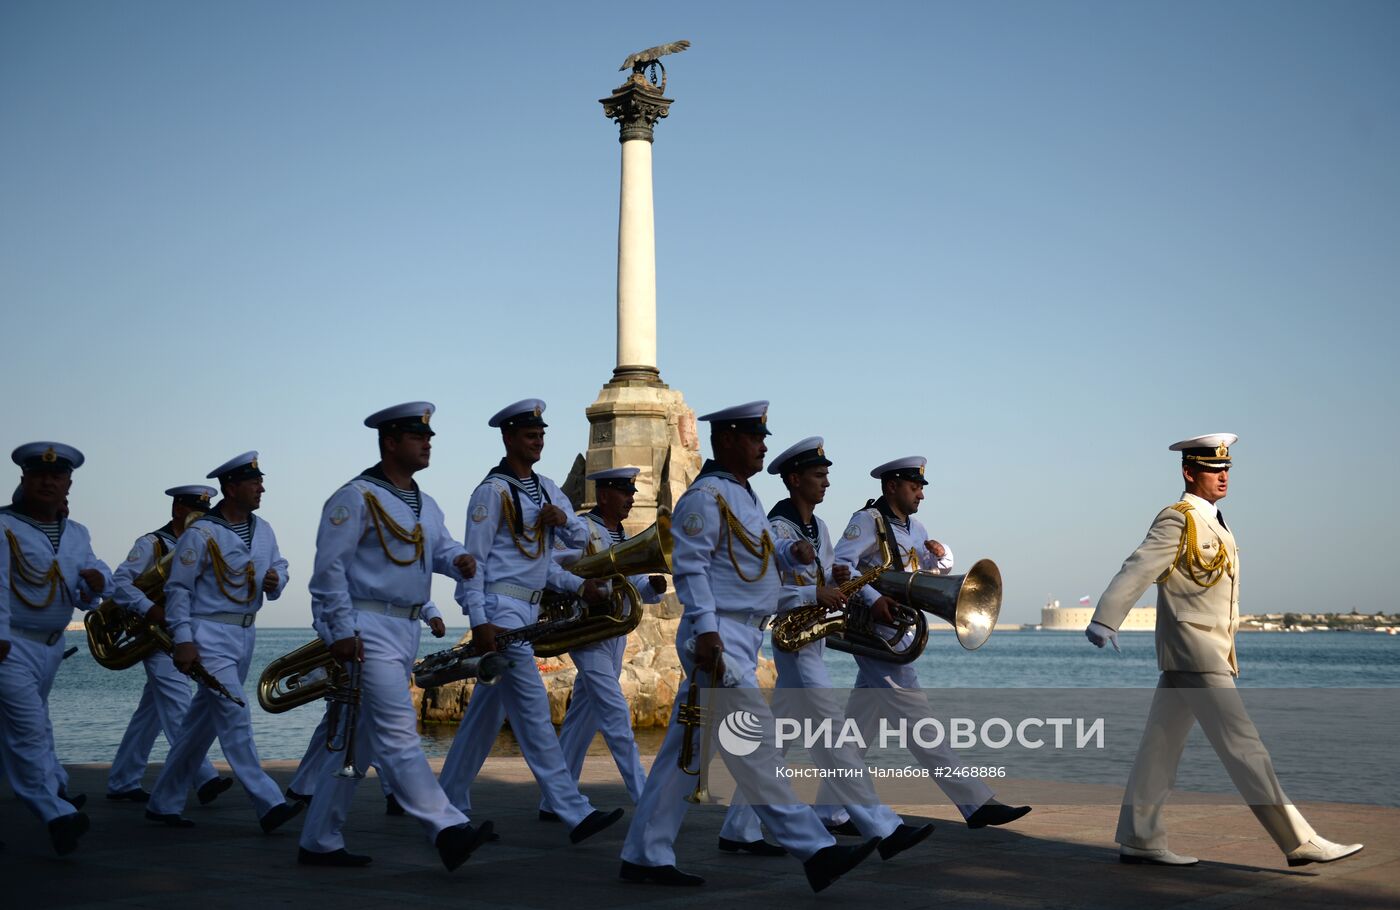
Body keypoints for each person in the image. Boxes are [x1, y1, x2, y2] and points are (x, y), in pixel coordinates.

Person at [619, 402, 882, 893]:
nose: (764, 444)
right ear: (728, 440)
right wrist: (706, 631)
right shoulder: (705, 498)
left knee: (686, 753)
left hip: (742, 633)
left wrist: (791, 551)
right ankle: (815, 850)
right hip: (717, 635)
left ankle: (644, 853)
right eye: (756, 436)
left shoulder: (743, 496)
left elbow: (755, 556)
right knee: (755, 744)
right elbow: (691, 568)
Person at [1087, 433, 1363, 868]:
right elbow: (1139, 566)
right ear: (1189, 472)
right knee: (1245, 747)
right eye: (1214, 470)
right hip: (1196, 651)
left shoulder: (1216, 520)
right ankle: (1298, 841)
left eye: (1226, 470)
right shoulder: (1179, 518)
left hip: (1206, 650)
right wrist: (1105, 618)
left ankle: (1139, 839)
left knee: (1159, 749)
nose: (1223, 477)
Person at [295, 402, 494, 869]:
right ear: (390, 442)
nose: (428, 443)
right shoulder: (355, 497)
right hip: (367, 625)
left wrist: (460, 560)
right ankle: (446, 827)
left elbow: (440, 549)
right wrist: (340, 631)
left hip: (405, 627)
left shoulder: (426, 503)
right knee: (399, 731)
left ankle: (319, 839)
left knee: (360, 742)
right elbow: (328, 573)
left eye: (427, 437)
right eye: (417, 437)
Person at [717, 437, 932, 860]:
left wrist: (841, 587)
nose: (827, 483)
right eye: (819, 476)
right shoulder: (777, 527)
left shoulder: (820, 528)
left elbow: (831, 580)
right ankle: (883, 827)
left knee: (776, 740)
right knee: (832, 733)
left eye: (827, 475)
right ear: (794, 480)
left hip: (811, 638)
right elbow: (761, 586)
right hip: (793, 638)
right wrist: (816, 593)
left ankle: (739, 828)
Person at [439, 399, 624, 845]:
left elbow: (582, 537)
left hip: (530, 608)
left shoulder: (544, 488)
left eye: (541, 434)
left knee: (486, 716)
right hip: (501, 610)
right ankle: (572, 810)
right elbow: (474, 563)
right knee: (535, 712)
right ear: (508, 439)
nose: (537, 440)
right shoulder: (491, 493)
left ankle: (446, 802)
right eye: (528, 435)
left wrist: (562, 519)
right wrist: (479, 621)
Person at [829, 456, 1030, 829]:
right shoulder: (866, 521)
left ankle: (829, 809)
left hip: (898, 633)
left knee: (858, 727)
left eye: (921, 487)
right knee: (919, 720)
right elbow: (840, 566)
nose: (920, 493)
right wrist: (874, 601)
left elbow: (928, 572)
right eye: (914, 487)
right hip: (877, 633)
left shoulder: (916, 527)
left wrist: (943, 556)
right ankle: (975, 802)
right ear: (892, 487)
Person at [144, 452, 303, 833]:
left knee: (200, 727)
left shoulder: (263, 528)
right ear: (231, 488)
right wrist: (183, 640)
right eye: (254, 482)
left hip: (245, 632)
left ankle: (162, 801)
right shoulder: (201, 534)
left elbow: (279, 565)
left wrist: (275, 582)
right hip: (209, 632)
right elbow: (178, 590)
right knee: (235, 711)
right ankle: (269, 801)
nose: (261, 487)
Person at [0, 442, 111, 855]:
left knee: (25, 730)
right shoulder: (4, 526)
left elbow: (88, 575)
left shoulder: (77, 532)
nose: (48, 481)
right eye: (39, 475)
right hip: (11, 643)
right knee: (28, 729)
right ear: (24, 479)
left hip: (50, 645)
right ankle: (55, 812)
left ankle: (54, 790)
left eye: (57, 476)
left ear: (68, 484)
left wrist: (97, 582)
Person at [538, 466, 667, 821]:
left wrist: (651, 589)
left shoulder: (622, 534)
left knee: (583, 717)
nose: (631, 499)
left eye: (631, 493)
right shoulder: (582, 530)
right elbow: (551, 567)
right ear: (606, 495)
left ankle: (553, 800)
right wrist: (581, 587)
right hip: (586, 629)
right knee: (615, 714)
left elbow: (634, 584)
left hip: (612, 634)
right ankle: (645, 798)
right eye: (625, 493)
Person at [104, 485, 232, 806]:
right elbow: (121, 582)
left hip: (186, 634)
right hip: (157, 635)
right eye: (196, 512)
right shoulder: (152, 544)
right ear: (177, 509)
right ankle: (204, 778)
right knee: (178, 705)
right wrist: (150, 609)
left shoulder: (203, 543)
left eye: (206, 513)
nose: (203, 518)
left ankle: (122, 779)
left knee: (151, 713)